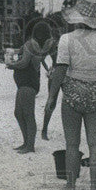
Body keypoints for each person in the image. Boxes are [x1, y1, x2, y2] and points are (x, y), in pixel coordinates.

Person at [45, 0, 96, 190]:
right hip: (95, 93)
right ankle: (94, 188)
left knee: (72, 144)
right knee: (95, 144)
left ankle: (71, 186)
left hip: (73, 93)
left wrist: (51, 97)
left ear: (76, 17)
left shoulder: (66, 39)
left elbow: (60, 70)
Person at [9, 20, 52, 154]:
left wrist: (11, 65)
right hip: (29, 83)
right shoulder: (39, 47)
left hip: (27, 83)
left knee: (26, 114)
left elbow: (23, 63)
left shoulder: (29, 45)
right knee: (20, 113)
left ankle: (29, 145)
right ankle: (27, 142)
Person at [40, 11, 68, 141]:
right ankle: (44, 130)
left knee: (67, 102)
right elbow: (41, 58)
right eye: (53, 27)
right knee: (52, 101)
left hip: (65, 73)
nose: (56, 29)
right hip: (58, 72)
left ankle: (46, 130)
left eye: (58, 27)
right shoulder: (51, 42)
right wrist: (49, 69)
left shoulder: (65, 40)